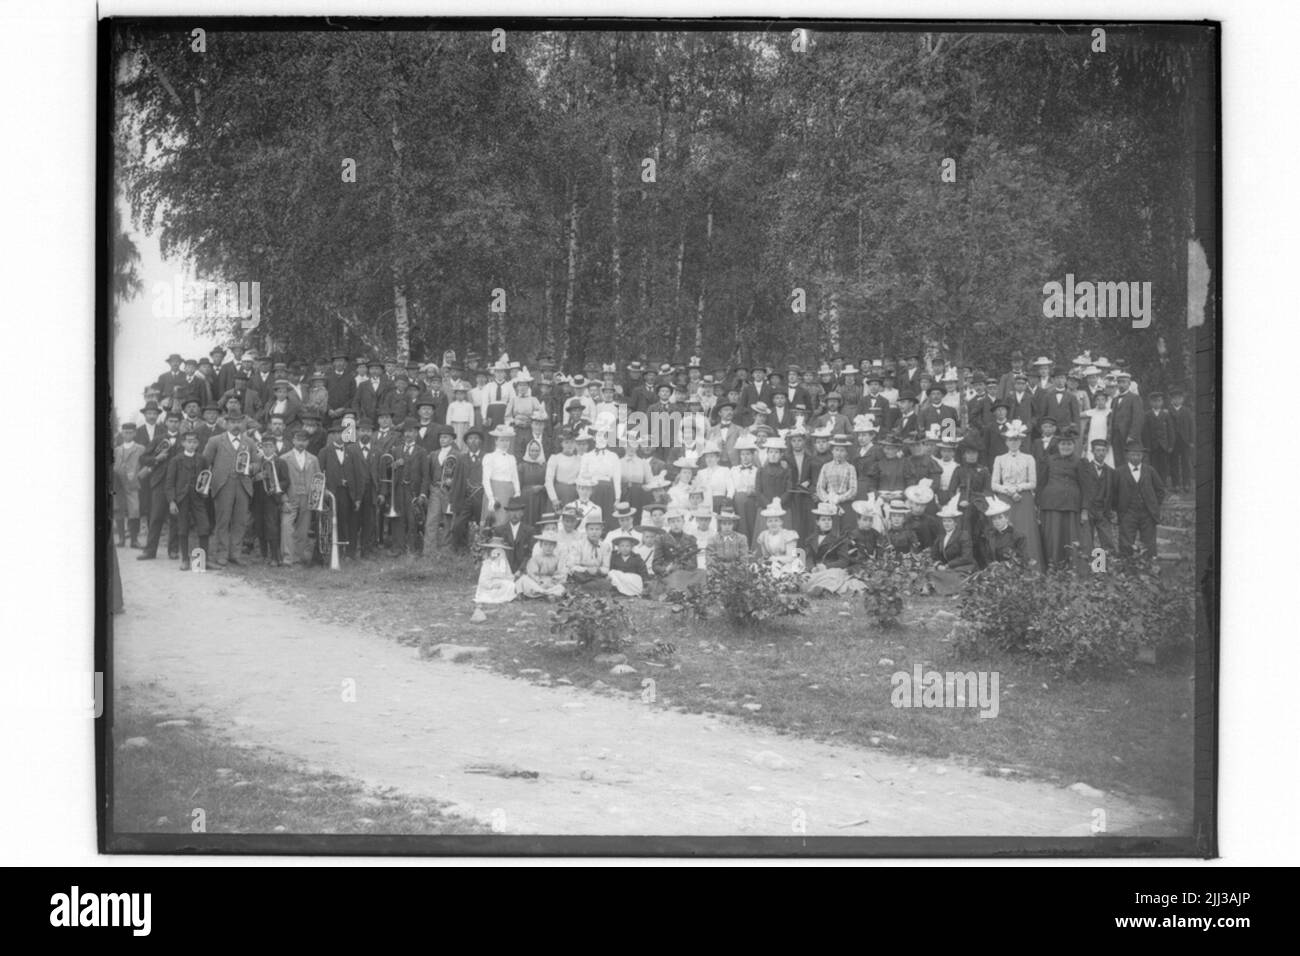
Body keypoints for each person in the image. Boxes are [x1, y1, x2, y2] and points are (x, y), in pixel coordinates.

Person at [201, 413, 255, 569]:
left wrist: (249, 467)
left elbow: (257, 464)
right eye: (232, 422)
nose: (236, 425)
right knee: (223, 521)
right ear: (226, 423)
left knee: (240, 522)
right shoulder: (216, 441)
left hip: (243, 485)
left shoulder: (250, 442)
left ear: (243, 424)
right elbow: (205, 462)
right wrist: (207, 484)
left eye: (239, 422)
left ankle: (235, 555)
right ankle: (221, 554)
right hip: (223, 485)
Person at [990, 421, 1042, 570]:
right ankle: (1007, 567)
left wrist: (1018, 488)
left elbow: (1032, 483)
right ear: (1006, 441)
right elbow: (994, 484)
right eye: (1011, 440)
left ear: (1021, 441)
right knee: (1007, 531)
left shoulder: (1028, 458)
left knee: (1025, 531)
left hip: (1023, 499)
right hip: (1006, 500)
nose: (1014, 442)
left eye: (1016, 439)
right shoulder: (999, 459)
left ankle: (1030, 567)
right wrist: (1009, 491)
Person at [318, 419, 365, 560]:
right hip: (331, 493)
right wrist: (324, 491)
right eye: (336, 433)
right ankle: (334, 552)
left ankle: (350, 552)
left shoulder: (353, 452)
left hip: (348, 493)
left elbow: (359, 476)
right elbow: (319, 474)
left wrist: (358, 498)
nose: (339, 436)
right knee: (333, 522)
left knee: (350, 523)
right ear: (331, 435)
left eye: (342, 433)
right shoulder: (324, 452)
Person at [164, 430, 211, 571]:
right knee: (182, 528)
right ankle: (185, 560)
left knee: (204, 526)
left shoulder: (202, 459)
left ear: (198, 444)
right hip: (181, 499)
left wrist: (204, 491)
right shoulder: (176, 460)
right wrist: (172, 501)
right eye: (189, 442)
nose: (191, 445)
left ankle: (203, 560)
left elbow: (206, 477)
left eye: (194, 442)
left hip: (198, 499)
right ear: (183, 443)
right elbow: (169, 483)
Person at [1038, 427, 1084, 569]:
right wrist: (1037, 504)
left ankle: (1071, 566)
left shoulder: (1080, 462)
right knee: (1053, 536)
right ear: (1058, 446)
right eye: (1063, 444)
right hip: (1051, 503)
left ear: (1074, 446)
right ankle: (1052, 565)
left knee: (1070, 536)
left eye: (1069, 444)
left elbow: (1086, 487)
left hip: (1072, 503)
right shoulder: (1049, 460)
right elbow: (1041, 483)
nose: (1066, 447)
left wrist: (1085, 509)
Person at [1115, 438, 1165, 557]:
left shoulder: (1150, 471)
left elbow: (1160, 491)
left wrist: (1153, 505)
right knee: (1126, 543)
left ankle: (1150, 569)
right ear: (1127, 455)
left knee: (1149, 543)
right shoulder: (1119, 472)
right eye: (1133, 454)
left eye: (1138, 454)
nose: (1136, 457)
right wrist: (1119, 508)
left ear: (1142, 456)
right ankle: (1126, 569)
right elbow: (1114, 493)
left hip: (1147, 512)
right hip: (1127, 512)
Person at [280, 428, 323, 566]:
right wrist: (283, 498)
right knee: (287, 526)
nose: (301, 443)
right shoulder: (284, 458)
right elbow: (279, 481)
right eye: (298, 440)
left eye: (304, 441)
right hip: (290, 496)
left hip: (307, 498)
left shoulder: (313, 459)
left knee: (303, 528)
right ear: (293, 441)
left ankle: (298, 557)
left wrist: (316, 499)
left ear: (308, 442)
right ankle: (287, 557)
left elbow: (318, 479)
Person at [388, 418, 430, 556]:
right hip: (399, 490)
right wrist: (394, 465)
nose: (408, 435)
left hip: (414, 492)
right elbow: (389, 471)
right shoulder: (396, 450)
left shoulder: (422, 452)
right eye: (406, 432)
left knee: (413, 520)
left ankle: (412, 549)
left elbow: (425, 476)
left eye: (411, 432)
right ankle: (398, 548)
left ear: (416, 433)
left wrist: (423, 494)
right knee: (398, 519)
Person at [802, 502, 862, 596]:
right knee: (804, 578)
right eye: (823, 519)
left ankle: (823, 589)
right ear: (817, 522)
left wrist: (826, 566)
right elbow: (808, 558)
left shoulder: (839, 540)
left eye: (829, 520)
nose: (827, 522)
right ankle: (821, 588)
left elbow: (843, 561)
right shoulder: (810, 540)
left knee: (834, 575)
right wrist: (812, 568)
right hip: (816, 571)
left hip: (831, 569)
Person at [449, 426, 486, 551]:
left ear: (480, 441)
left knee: (483, 526)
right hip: (465, 498)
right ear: (466, 442)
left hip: (481, 498)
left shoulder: (486, 458)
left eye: (476, 438)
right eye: (470, 439)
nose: (473, 441)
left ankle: (482, 548)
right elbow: (456, 480)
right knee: (458, 525)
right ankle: (459, 549)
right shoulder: (461, 458)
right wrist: (454, 499)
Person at [928, 495, 975, 594]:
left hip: (963, 568)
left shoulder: (963, 535)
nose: (946, 524)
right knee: (930, 572)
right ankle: (943, 586)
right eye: (944, 521)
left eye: (949, 521)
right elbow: (934, 554)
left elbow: (967, 557)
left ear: (955, 523)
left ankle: (951, 587)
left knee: (952, 578)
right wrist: (938, 564)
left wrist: (948, 565)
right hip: (948, 569)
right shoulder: (941, 536)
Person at [1080, 436, 1117, 557]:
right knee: (1087, 541)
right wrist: (1083, 510)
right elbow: (1081, 489)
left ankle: (1101, 569)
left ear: (1106, 452)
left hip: (1103, 511)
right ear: (1092, 452)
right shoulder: (1084, 469)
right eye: (1098, 450)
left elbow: (1113, 493)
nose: (1101, 453)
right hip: (1088, 510)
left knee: (1106, 541)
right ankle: (1088, 570)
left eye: (1103, 450)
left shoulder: (1111, 472)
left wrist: (1111, 511)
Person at [815, 435, 858, 533]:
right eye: (837, 450)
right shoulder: (826, 467)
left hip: (845, 505)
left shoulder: (850, 468)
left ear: (846, 452)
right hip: (829, 505)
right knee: (830, 531)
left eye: (842, 450)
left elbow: (853, 490)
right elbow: (820, 487)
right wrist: (828, 499)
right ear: (832, 451)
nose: (839, 453)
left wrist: (839, 498)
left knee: (845, 531)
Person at [482, 425, 522, 529]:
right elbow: (486, 480)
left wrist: (517, 492)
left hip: (509, 493)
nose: (505, 443)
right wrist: (491, 497)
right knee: (495, 519)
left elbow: (515, 477)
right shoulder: (489, 457)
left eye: (507, 440)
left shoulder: (512, 458)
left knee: (507, 519)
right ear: (496, 441)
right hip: (496, 491)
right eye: (502, 440)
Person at [753, 501, 804, 576]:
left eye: (776, 520)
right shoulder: (764, 535)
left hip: (788, 564)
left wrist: (775, 559)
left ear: (781, 522)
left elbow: (791, 558)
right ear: (766, 523)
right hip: (773, 564)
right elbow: (766, 556)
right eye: (770, 521)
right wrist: (766, 560)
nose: (773, 523)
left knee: (783, 573)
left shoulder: (789, 535)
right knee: (756, 569)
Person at [113, 423, 143, 549]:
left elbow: (144, 464)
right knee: (118, 509)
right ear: (122, 433)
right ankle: (121, 539)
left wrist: (138, 475)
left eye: (130, 432)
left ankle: (134, 539)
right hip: (118, 483)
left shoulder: (140, 448)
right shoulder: (117, 450)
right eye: (125, 432)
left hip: (132, 483)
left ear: (135, 433)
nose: (128, 435)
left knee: (134, 509)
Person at [516, 531, 567, 599]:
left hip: (551, 583)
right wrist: (539, 581)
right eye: (545, 544)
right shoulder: (536, 558)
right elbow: (533, 572)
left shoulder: (557, 559)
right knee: (523, 579)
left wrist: (553, 580)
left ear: (555, 546)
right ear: (541, 545)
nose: (548, 547)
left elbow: (560, 573)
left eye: (551, 545)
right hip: (538, 583)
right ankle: (546, 593)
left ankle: (544, 593)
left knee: (561, 587)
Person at [1143, 391, 1176, 487]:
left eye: (1159, 401)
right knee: (1153, 465)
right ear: (1150, 403)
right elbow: (1145, 433)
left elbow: (1171, 431)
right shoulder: (1147, 415)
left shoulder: (1166, 415)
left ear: (1162, 402)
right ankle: (1154, 484)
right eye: (1154, 401)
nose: (1156, 403)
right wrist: (1147, 446)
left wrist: (1170, 445)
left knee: (1164, 466)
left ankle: (1162, 484)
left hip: (1163, 445)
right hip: (1152, 446)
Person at [981, 496, 1026, 566]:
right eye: (994, 519)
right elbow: (987, 557)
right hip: (993, 572)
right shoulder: (990, 536)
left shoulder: (1018, 536)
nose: (997, 521)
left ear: (1007, 518)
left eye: (1000, 518)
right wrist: (991, 564)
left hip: (1013, 571)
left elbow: (1022, 558)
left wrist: (1003, 565)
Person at [474, 536, 518, 604]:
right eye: (495, 553)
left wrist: (511, 579)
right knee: (499, 588)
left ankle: (505, 596)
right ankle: (496, 596)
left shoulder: (504, 562)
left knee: (511, 585)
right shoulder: (487, 564)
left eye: (500, 553)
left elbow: (509, 575)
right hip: (490, 586)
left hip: (502, 584)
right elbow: (483, 581)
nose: (498, 555)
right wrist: (492, 585)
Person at [497, 496, 534, 574]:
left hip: (523, 570)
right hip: (503, 571)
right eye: (511, 511)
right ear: (507, 513)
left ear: (522, 513)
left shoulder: (529, 531)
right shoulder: (499, 531)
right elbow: (497, 553)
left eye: (517, 511)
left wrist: (521, 570)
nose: (514, 514)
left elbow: (530, 554)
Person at [1168, 387, 1193, 493]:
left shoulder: (1187, 411)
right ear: (1171, 400)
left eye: (1179, 398)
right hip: (1173, 441)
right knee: (1173, 463)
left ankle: (1186, 484)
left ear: (1182, 400)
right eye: (1175, 398)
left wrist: (1191, 440)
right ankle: (1176, 484)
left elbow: (1191, 426)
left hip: (1185, 441)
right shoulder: (1168, 411)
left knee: (1186, 462)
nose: (1177, 400)